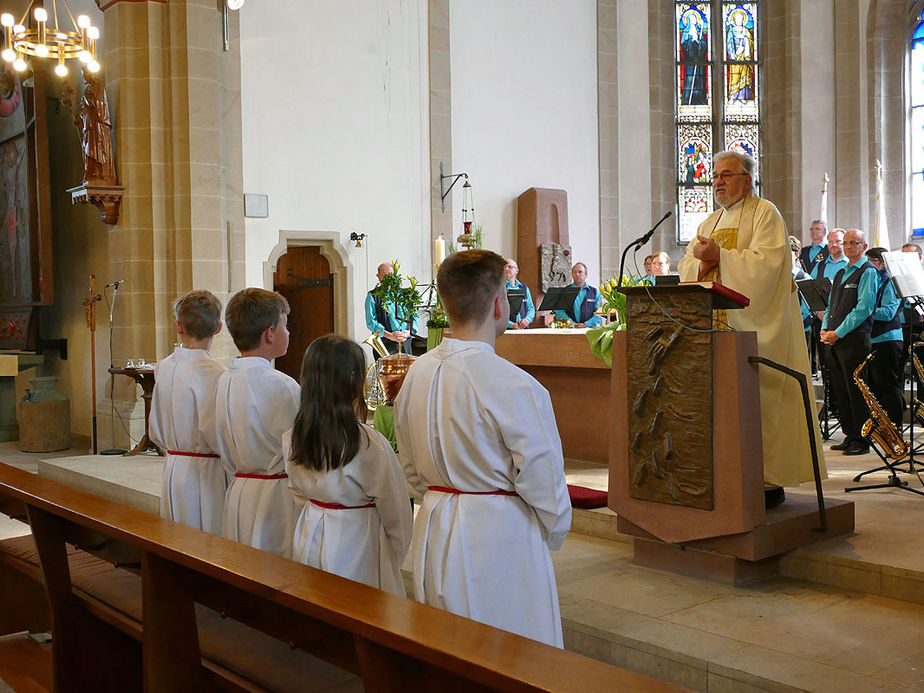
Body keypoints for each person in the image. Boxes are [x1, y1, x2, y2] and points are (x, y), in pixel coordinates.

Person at [394, 249, 571, 647]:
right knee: (513, 651)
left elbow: (407, 463)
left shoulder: (416, 373)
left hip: (435, 523)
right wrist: (553, 530)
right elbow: (543, 480)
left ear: (445, 304)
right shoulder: (515, 383)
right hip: (498, 537)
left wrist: (445, 495)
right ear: (497, 304)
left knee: (445, 650)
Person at [678, 150, 824, 504]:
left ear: (747, 179)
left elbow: (771, 265)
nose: (718, 182)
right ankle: (723, 475)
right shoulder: (709, 222)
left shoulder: (765, 213)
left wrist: (720, 257)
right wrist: (698, 265)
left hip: (757, 330)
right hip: (713, 332)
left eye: (726, 175)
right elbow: (687, 266)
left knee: (760, 401)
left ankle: (766, 482)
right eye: (715, 176)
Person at [283, 335, 412, 595]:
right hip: (358, 540)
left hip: (311, 528)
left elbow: (296, 491)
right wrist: (394, 556)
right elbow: (396, 511)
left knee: (316, 601)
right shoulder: (368, 443)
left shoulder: (292, 437)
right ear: (353, 380)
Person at [215, 288, 301, 557]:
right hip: (276, 498)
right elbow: (300, 451)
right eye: (285, 326)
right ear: (269, 333)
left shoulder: (224, 380)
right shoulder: (284, 386)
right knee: (278, 576)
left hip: (240, 490)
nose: (289, 333)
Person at [150, 290, 227, 534]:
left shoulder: (163, 367)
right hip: (207, 471)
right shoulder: (217, 372)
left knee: (177, 537)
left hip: (174, 464)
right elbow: (218, 433)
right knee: (209, 541)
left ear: (178, 326)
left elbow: (156, 427)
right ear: (218, 328)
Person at [820, 229, 878, 455]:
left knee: (857, 391)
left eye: (854, 243)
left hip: (853, 340)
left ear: (864, 246)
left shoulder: (868, 271)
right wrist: (826, 329)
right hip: (835, 340)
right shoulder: (841, 272)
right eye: (846, 243)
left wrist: (838, 332)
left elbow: (864, 308)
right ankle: (850, 434)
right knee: (840, 389)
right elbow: (831, 305)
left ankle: (862, 441)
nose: (848, 247)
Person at [865, 247, 904, 428]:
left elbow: (888, 313)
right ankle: (881, 426)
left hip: (888, 338)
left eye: (871, 261)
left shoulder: (891, 282)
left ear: (881, 262)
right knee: (875, 388)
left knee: (888, 386)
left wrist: (864, 309)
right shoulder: (875, 279)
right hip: (874, 338)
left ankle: (894, 428)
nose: (868, 265)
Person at [364, 262, 418, 355]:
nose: (387, 278)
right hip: (385, 343)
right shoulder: (373, 296)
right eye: (384, 275)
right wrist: (390, 335)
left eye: (390, 275)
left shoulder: (405, 294)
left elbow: (414, 317)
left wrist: (408, 333)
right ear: (378, 276)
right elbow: (371, 322)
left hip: (405, 341)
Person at [552, 262, 603, 328]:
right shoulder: (565, 291)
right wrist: (572, 324)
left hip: (590, 330)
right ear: (572, 275)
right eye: (574, 272)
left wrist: (586, 324)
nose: (577, 274)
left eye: (580, 272)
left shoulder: (595, 292)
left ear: (585, 274)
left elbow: (600, 313)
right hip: (569, 329)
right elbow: (559, 312)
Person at [790, 237, 813, 353]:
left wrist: (794, 320)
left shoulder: (804, 277)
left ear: (796, 255)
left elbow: (809, 307)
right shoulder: (779, 278)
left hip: (801, 328)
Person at [504, 258, 535, 329]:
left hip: (523, 330)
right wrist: (511, 325)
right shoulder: (498, 288)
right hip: (506, 331)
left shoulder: (524, 288)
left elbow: (531, 308)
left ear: (516, 271)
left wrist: (527, 320)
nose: (506, 269)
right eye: (504, 267)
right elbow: (495, 314)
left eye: (509, 267)